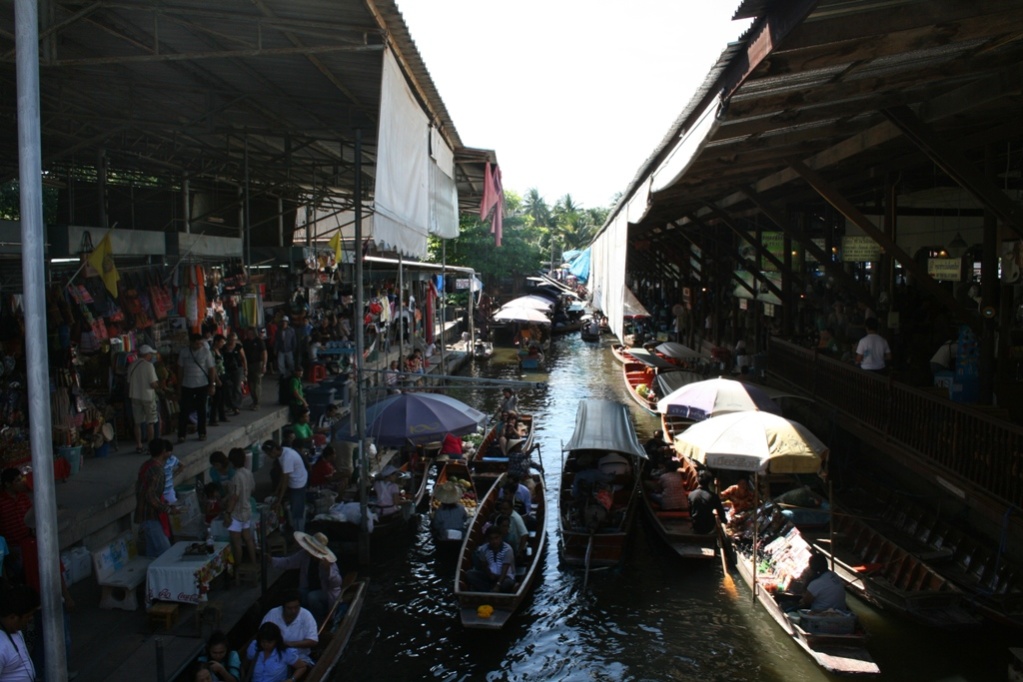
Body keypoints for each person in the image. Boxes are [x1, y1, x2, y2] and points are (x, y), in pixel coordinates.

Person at [269, 532, 343, 622]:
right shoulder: (304, 555)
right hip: (308, 588)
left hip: (326, 592)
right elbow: (288, 562)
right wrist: (272, 560)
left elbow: (337, 583)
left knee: (312, 597)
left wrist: (328, 570)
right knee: (300, 594)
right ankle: (302, 617)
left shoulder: (328, 562)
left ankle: (319, 619)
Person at [134, 438, 174, 557]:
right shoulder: (157, 470)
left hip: (146, 515)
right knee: (166, 553)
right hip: (152, 516)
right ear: (163, 452)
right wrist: (168, 509)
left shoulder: (147, 465)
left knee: (152, 554)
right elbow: (151, 496)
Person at [260, 590, 318, 665]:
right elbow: (262, 634)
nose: (293, 611)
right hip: (273, 656)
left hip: (299, 657)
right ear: (283, 607)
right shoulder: (272, 613)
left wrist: (288, 644)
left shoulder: (306, 616)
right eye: (289, 608)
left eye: (296, 607)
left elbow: (313, 641)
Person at [263, 440, 309, 534]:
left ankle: (300, 534)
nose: (269, 456)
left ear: (275, 449)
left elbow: (285, 480)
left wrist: (279, 500)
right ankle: (297, 532)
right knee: (294, 509)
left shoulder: (287, 457)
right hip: (295, 480)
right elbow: (283, 476)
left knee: (297, 512)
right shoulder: (282, 453)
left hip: (298, 483)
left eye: (269, 453)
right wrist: (277, 490)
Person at [178, 332, 217, 442]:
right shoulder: (184, 352)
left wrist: (212, 385)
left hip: (202, 384)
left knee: (201, 410)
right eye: (197, 344)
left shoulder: (206, 352)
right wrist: (179, 386)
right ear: (191, 343)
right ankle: (181, 434)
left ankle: (202, 432)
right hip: (187, 384)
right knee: (184, 410)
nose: (199, 346)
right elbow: (180, 369)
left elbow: (211, 369)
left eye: (200, 344)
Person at [224, 448, 258, 568]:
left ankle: (238, 568)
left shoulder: (236, 477)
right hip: (247, 510)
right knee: (248, 539)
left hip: (236, 514)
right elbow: (253, 489)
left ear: (232, 462)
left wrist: (228, 512)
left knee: (236, 543)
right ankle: (254, 563)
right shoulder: (248, 473)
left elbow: (234, 497)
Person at [0, 582, 40, 681]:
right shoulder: (1, 646)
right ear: (12, 617)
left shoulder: (15, 629)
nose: (30, 619)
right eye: (27, 616)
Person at [128, 345, 161, 454]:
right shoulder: (149, 366)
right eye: (150, 354)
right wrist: (158, 386)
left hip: (135, 396)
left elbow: (128, 381)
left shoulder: (132, 365)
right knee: (150, 422)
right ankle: (149, 446)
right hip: (147, 397)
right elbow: (153, 383)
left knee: (137, 423)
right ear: (147, 355)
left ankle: (139, 445)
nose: (151, 356)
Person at [0, 468, 32, 575]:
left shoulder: (23, 497)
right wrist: (7, 548)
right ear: (8, 484)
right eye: (17, 480)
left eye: (21, 479)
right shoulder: (1, 502)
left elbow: (32, 517)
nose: (22, 482)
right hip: (12, 547)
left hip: (27, 542)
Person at [466, 526, 516, 593]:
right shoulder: (484, 549)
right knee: (470, 574)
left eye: (496, 538)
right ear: (488, 540)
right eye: (491, 539)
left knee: (507, 584)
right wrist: (489, 574)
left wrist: (498, 584)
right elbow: (484, 565)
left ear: (501, 537)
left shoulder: (508, 550)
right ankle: (489, 591)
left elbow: (505, 570)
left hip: (505, 577)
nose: (494, 541)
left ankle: (490, 590)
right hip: (491, 577)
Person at [222, 332, 247, 416]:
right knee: (228, 387)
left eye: (234, 340)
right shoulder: (224, 348)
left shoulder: (238, 347)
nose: (232, 341)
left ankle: (237, 406)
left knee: (237, 387)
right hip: (227, 369)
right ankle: (229, 405)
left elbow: (243, 358)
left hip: (237, 368)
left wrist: (245, 369)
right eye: (231, 340)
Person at [243, 326, 268, 410]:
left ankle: (257, 402)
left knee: (256, 383)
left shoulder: (259, 341)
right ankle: (254, 400)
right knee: (251, 384)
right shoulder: (246, 342)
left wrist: (264, 365)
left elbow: (264, 353)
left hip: (258, 363)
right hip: (249, 364)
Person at [209, 334, 229, 426]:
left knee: (222, 397)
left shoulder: (220, 351)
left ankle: (222, 415)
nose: (222, 344)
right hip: (217, 376)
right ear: (216, 342)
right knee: (216, 398)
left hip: (223, 374)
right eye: (221, 342)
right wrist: (216, 380)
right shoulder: (212, 352)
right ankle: (213, 418)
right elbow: (213, 367)